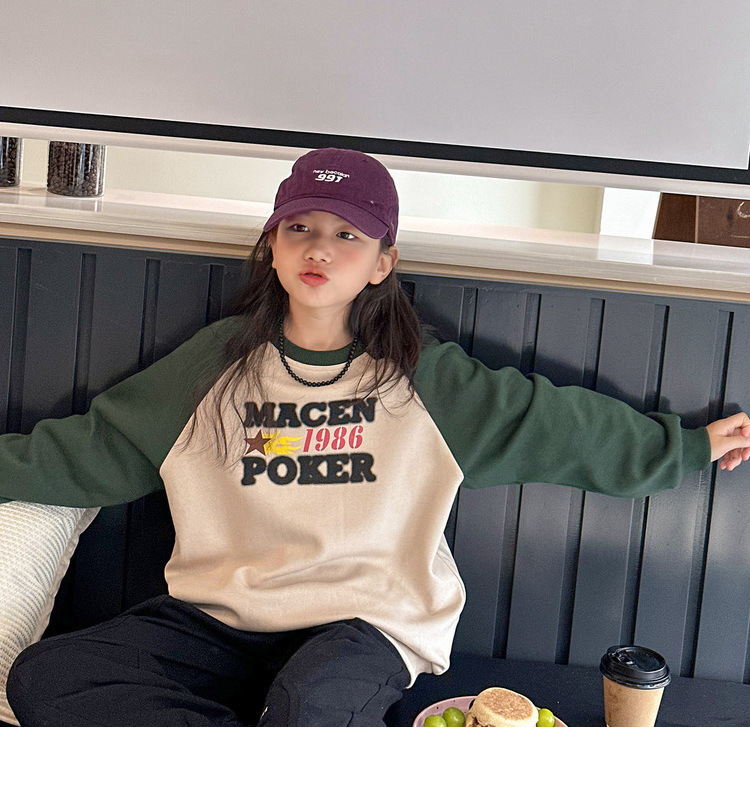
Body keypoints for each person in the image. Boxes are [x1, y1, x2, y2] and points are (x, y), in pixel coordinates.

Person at [3, 148, 750, 727]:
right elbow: (93, 448)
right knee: (44, 678)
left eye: (346, 235)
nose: (318, 250)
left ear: (382, 262)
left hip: (360, 625)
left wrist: (687, 447)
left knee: (311, 704)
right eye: (299, 228)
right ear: (272, 247)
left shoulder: (423, 379)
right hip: (220, 620)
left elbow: (551, 424)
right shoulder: (215, 366)